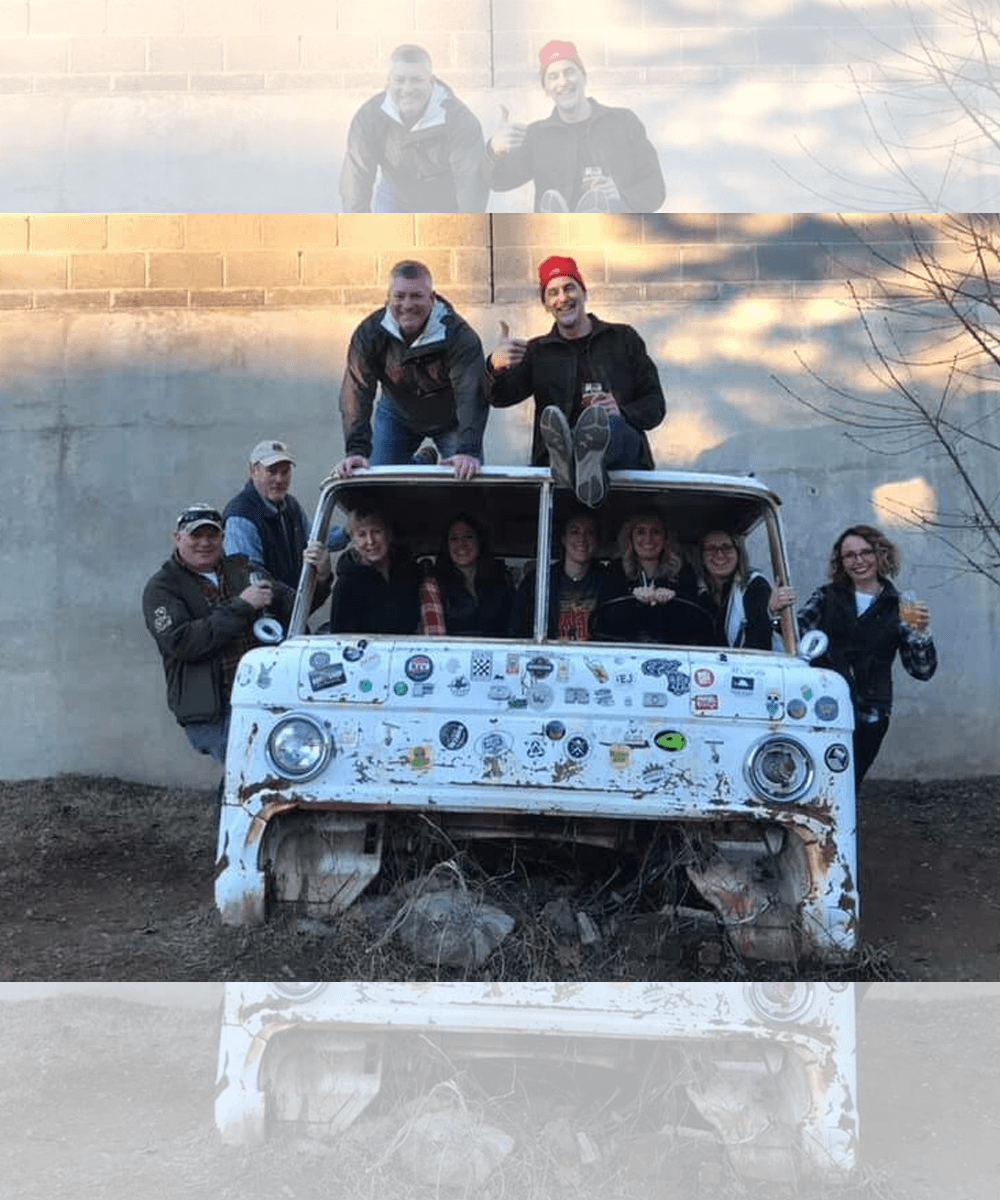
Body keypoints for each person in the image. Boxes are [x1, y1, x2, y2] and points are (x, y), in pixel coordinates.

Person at [485, 254, 665, 507]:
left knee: (606, 424)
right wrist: (495, 366)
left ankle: (577, 456)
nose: (563, 298)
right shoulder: (538, 351)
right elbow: (499, 397)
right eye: (553, 293)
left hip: (622, 460)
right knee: (560, 429)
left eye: (569, 288)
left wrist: (621, 411)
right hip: (560, 477)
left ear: (584, 292)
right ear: (546, 304)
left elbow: (655, 406)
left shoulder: (623, 338)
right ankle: (569, 458)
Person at [142, 503, 295, 764]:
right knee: (247, 768)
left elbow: (296, 604)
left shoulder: (244, 570)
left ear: (223, 538)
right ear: (178, 538)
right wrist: (243, 606)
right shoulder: (161, 588)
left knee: (276, 767)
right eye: (195, 535)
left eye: (212, 535)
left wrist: (320, 574)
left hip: (264, 695)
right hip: (214, 710)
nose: (204, 543)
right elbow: (183, 642)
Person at [797, 524, 937, 786]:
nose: (858, 560)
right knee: (812, 778)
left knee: (847, 784)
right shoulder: (827, 595)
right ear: (841, 562)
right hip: (824, 705)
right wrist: (775, 613)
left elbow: (922, 670)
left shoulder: (901, 605)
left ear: (880, 554)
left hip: (870, 713)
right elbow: (796, 635)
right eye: (849, 555)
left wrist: (921, 634)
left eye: (865, 552)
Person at [335, 260, 488, 481]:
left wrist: (468, 451)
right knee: (374, 487)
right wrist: (356, 451)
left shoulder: (459, 336)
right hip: (396, 415)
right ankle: (422, 462)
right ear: (388, 298)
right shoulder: (369, 334)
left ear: (432, 299)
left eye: (416, 296)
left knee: (468, 485)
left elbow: (471, 394)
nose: (407, 305)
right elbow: (356, 390)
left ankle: (428, 464)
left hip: (451, 419)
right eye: (399, 296)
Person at [487, 39, 665, 213]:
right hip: (557, 237)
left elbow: (655, 189)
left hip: (612, 234)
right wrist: (494, 150)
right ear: (546, 89)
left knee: (605, 208)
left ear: (584, 77)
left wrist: (620, 196)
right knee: (553, 206)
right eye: (553, 77)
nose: (563, 82)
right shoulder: (537, 136)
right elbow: (499, 181)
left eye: (569, 72)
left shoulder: (624, 122)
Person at [340, 43, 488, 213]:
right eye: (399, 80)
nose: (407, 89)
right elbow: (355, 180)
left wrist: (465, 233)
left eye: (417, 80)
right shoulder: (369, 117)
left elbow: (471, 187)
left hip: (445, 204)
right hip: (393, 199)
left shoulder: (459, 121)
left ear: (432, 82)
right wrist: (358, 233)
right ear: (388, 82)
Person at [223, 439, 337, 593]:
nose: (279, 479)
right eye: (272, 471)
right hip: (260, 614)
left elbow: (315, 538)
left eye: (285, 472)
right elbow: (250, 579)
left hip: (289, 610)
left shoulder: (290, 506)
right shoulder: (240, 516)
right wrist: (294, 602)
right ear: (252, 471)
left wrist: (350, 532)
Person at [595, 510, 715, 644]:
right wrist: (633, 598)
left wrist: (672, 600)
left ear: (665, 539)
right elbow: (606, 619)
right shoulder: (615, 570)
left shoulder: (683, 571)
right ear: (630, 539)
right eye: (641, 532)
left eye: (655, 532)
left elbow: (694, 623)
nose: (648, 539)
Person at [510, 510, 609, 640]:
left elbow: (616, 630)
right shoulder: (538, 580)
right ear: (563, 539)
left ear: (596, 541)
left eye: (589, 532)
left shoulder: (609, 580)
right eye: (575, 532)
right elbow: (516, 630)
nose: (582, 539)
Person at [694, 529, 796, 650]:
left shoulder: (754, 586)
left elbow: (759, 645)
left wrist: (768, 612)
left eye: (727, 547)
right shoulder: (702, 597)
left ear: (738, 554)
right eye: (711, 549)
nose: (720, 554)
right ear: (702, 558)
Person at [328, 507, 420, 635]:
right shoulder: (346, 585)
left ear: (388, 534)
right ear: (353, 541)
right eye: (361, 535)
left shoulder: (409, 571)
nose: (370, 541)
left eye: (376, 532)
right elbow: (342, 640)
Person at [422, 512, 513, 636]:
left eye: (468, 536)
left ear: (479, 541)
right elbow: (435, 639)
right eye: (454, 538)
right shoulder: (433, 585)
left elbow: (513, 627)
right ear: (446, 546)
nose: (461, 544)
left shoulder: (502, 578)